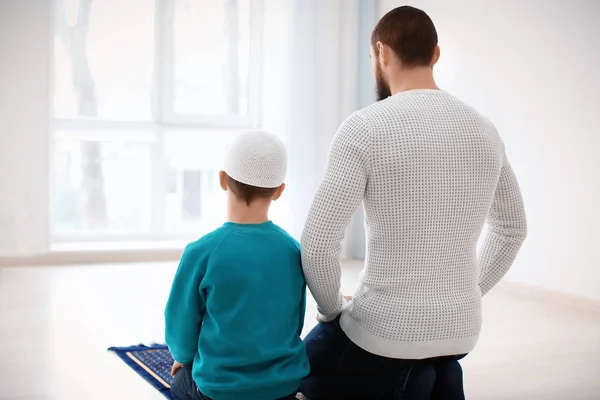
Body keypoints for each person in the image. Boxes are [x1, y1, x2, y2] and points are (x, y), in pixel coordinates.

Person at [299, 5, 527, 400]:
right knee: (428, 366)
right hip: (462, 329)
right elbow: (512, 230)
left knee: (299, 365)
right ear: (435, 54)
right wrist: (464, 293)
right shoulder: (485, 130)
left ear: (382, 54)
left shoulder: (365, 127)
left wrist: (333, 310)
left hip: (383, 332)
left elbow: (318, 244)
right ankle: (431, 378)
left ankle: (409, 380)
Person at [165, 131, 309, 400]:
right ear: (279, 191)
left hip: (219, 391)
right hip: (283, 390)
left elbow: (180, 325)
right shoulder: (293, 250)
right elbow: (295, 321)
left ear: (222, 179)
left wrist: (183, 358)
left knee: (180, 381)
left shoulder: (201, 252)